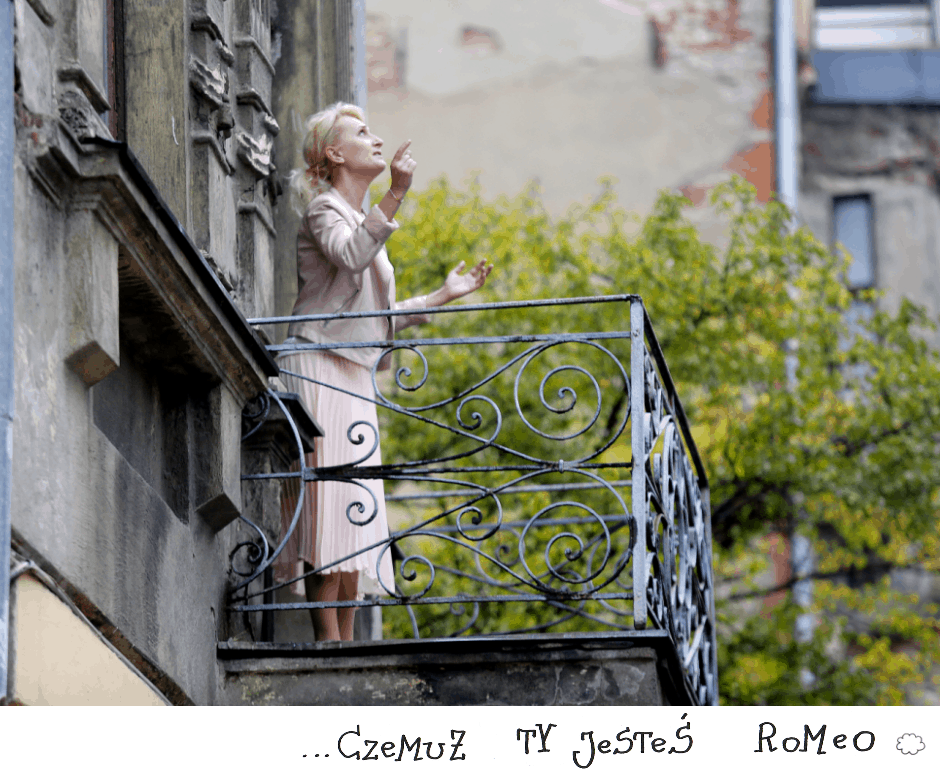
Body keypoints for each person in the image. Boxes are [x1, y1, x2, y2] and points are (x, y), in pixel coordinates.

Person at [276, 102, 492, 642]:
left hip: (352, 368)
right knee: (330, 500)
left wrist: (442, 295)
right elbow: (350, 256)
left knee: (357, 507)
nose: (375, 138)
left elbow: (374, 313)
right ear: (334, 153)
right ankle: (328, 641)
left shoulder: (360, 217)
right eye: (361, 131)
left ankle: (346, 642)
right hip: (318, 362)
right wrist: (395, 193)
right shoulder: (324, 210)